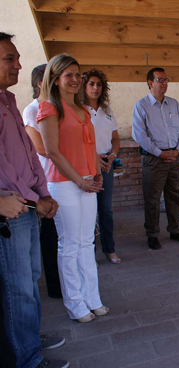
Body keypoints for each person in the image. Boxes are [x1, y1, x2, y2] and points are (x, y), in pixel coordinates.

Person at [0, 32, 68, 368]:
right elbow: (5, 168)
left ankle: (29, 338)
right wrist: (33, 199)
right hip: (11, 211)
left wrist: (42, 193)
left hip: (28, 205)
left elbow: (29, 156)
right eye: (8, 59)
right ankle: (27, 358)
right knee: (18, 290)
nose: (18, 64)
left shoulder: (9, 103)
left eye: (16, 58)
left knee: (30, 279)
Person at [38, 53, 108, 323]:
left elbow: (89, 147)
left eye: (78, 74)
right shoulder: (49, 108)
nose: (76, 80)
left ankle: (93, 298)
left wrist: (95, 174)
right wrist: (80, 180)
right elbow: (53, 152)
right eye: (69, 75)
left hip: (87, 182)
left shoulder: (82, 109)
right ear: (55, 80)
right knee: (69, 246)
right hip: (65, 185)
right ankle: (75, 304)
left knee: (87, 243)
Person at [132, 67, 179, 250]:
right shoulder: (141, 106)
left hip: (174, 157)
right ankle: (152, 234)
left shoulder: (174, 104)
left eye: (166, 80)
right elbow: (139, 135)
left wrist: (178, 149)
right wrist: (160, 153)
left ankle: (175, 230)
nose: (164, 83)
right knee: (153, 198)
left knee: (175, 195)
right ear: (150, 83)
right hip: (154, 159)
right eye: (160, 80)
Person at [22, 63, 63, 298]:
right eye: (54, 77)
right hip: (48, 179)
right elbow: (43, 147)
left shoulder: (59, 107)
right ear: (41, 82)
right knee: (51, 234)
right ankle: (55, 286)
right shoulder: (31, 110)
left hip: (66, 175)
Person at [82, 68, 121, 264]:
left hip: (106, 165)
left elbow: (115, 138)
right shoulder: (78, 110)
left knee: (105, 210)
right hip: (86, 165)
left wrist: (112, 156)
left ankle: (110, 249)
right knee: (88, 212)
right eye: (91, 84)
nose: (95, 88)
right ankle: (89, 253)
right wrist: (95, 158)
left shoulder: (107, 111)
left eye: (99, 84)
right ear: (84, 86)